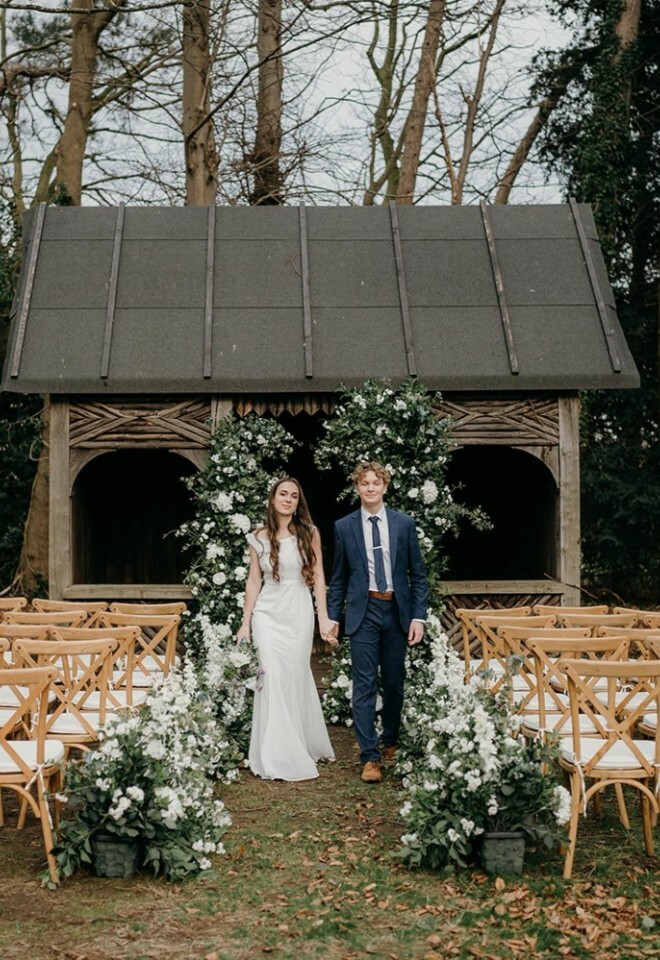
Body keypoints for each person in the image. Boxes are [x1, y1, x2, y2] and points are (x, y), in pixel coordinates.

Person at [325, 462, 428, 783]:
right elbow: (338, 578)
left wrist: (418, 616)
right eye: (364, 483)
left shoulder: (403, 524)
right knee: (364, 684)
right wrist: (332, 617)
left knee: (394, 682)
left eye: (376, 482)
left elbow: (418, 575)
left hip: (396, 611)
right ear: (357, 487)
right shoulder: (344, 526)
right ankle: (370, 757)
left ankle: (390, 741)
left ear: (385, 486)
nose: (370, 488)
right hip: (363, 611)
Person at [237, 477, 336, 781]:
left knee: (294, 673)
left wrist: (323, 618)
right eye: (283, 494)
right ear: (273, 499)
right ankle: (274, 751)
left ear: (297, 502)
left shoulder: (310, 533)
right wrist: (245, 622)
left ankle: (298, 743)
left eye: (294, 496)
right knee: (272, 675)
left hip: (298, 609)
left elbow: (319, 575)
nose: (288, 499)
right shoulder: (257, 537)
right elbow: (254, 580)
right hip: (267, 612)